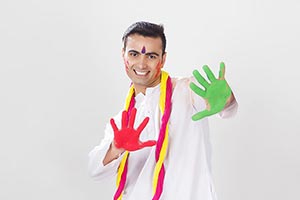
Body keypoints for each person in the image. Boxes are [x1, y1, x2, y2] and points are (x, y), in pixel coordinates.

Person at [88, 21, 238, 200]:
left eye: (151, 56)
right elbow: (95, 170)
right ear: (123, 55)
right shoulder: (121, 121)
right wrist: (116, 148)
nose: (142, 64)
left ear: (163, 59)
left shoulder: (187, 91)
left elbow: (226, 109)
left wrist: (225, 98)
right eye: (134, 54)